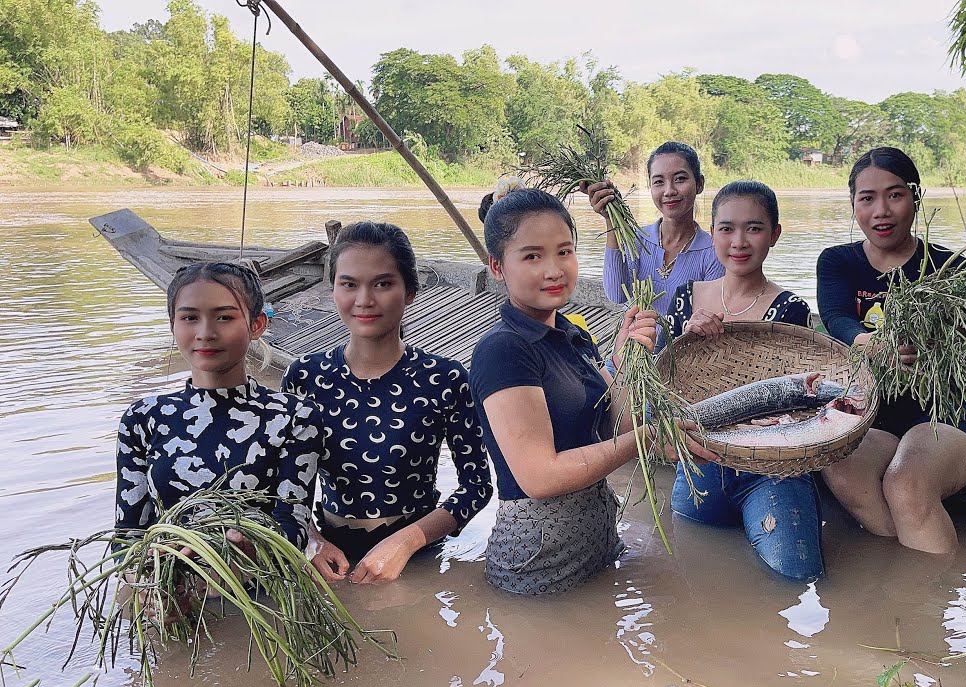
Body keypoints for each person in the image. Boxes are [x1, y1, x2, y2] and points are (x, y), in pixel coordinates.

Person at [469, 183, 715, 595]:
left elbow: (615, 428)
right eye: (532, 256)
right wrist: (648, 438)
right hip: (537, 563)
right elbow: (539, 477)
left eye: (564, 251)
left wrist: (625, 360)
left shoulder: (573, 335)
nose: (554, 269)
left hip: (597, 544)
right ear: (497, 267)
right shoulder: (504, 350)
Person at [283, 222, 492, 584]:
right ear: (332, 289)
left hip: (420, 560)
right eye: (349, 284)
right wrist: (312, 542)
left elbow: (477, 485)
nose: (364, 299)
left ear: (410, 291)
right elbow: (285, 488)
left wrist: (408, 541)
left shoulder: (442, 378)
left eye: (382, 283)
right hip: (326, 563)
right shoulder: (305, 377)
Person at [816, 147, 966, 555]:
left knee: (906, 483)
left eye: (894, 195)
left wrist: (941, 343)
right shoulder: (838, 262)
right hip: (873, 418)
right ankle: (901, 583)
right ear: (853, 204)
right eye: (867, 198)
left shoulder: (948, 267)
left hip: (942, 418)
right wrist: (871, 343)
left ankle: (930, 608)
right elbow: (836, 316)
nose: (881, 211)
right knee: (840, 468)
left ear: (916, 198)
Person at [665, 180, 823, 581]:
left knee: (797, 577)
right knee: (685, 570)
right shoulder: (686, 297)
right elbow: (660, 387)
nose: (739, 241)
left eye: (753, 228)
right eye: (726, 228)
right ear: (712, 232)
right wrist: (683, 338)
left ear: (774, 234)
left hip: (772, 471)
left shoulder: (791, 309)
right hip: (700, 465)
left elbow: (790, 404)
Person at [116, 262, 321, 553]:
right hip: (169, 589)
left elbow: (293, 527)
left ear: (256, 325)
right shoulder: (142, 418)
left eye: (224, 317)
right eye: (189, 318)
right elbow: (127, 537)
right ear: (172, 324)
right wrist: (144, 575)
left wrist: (246, 556)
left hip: (261, 587)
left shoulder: (294, 416)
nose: (205, 332)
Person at [581, 141, 724, 315]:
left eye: (680, 179)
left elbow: (708, 319)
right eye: (658, 182)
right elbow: (616, 295)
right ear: (650, 187)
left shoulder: (714, 251)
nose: (669, 191)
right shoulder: (637, 239)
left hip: (685, 342)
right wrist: (611, 219)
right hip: (634, 338)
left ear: (699, 184)